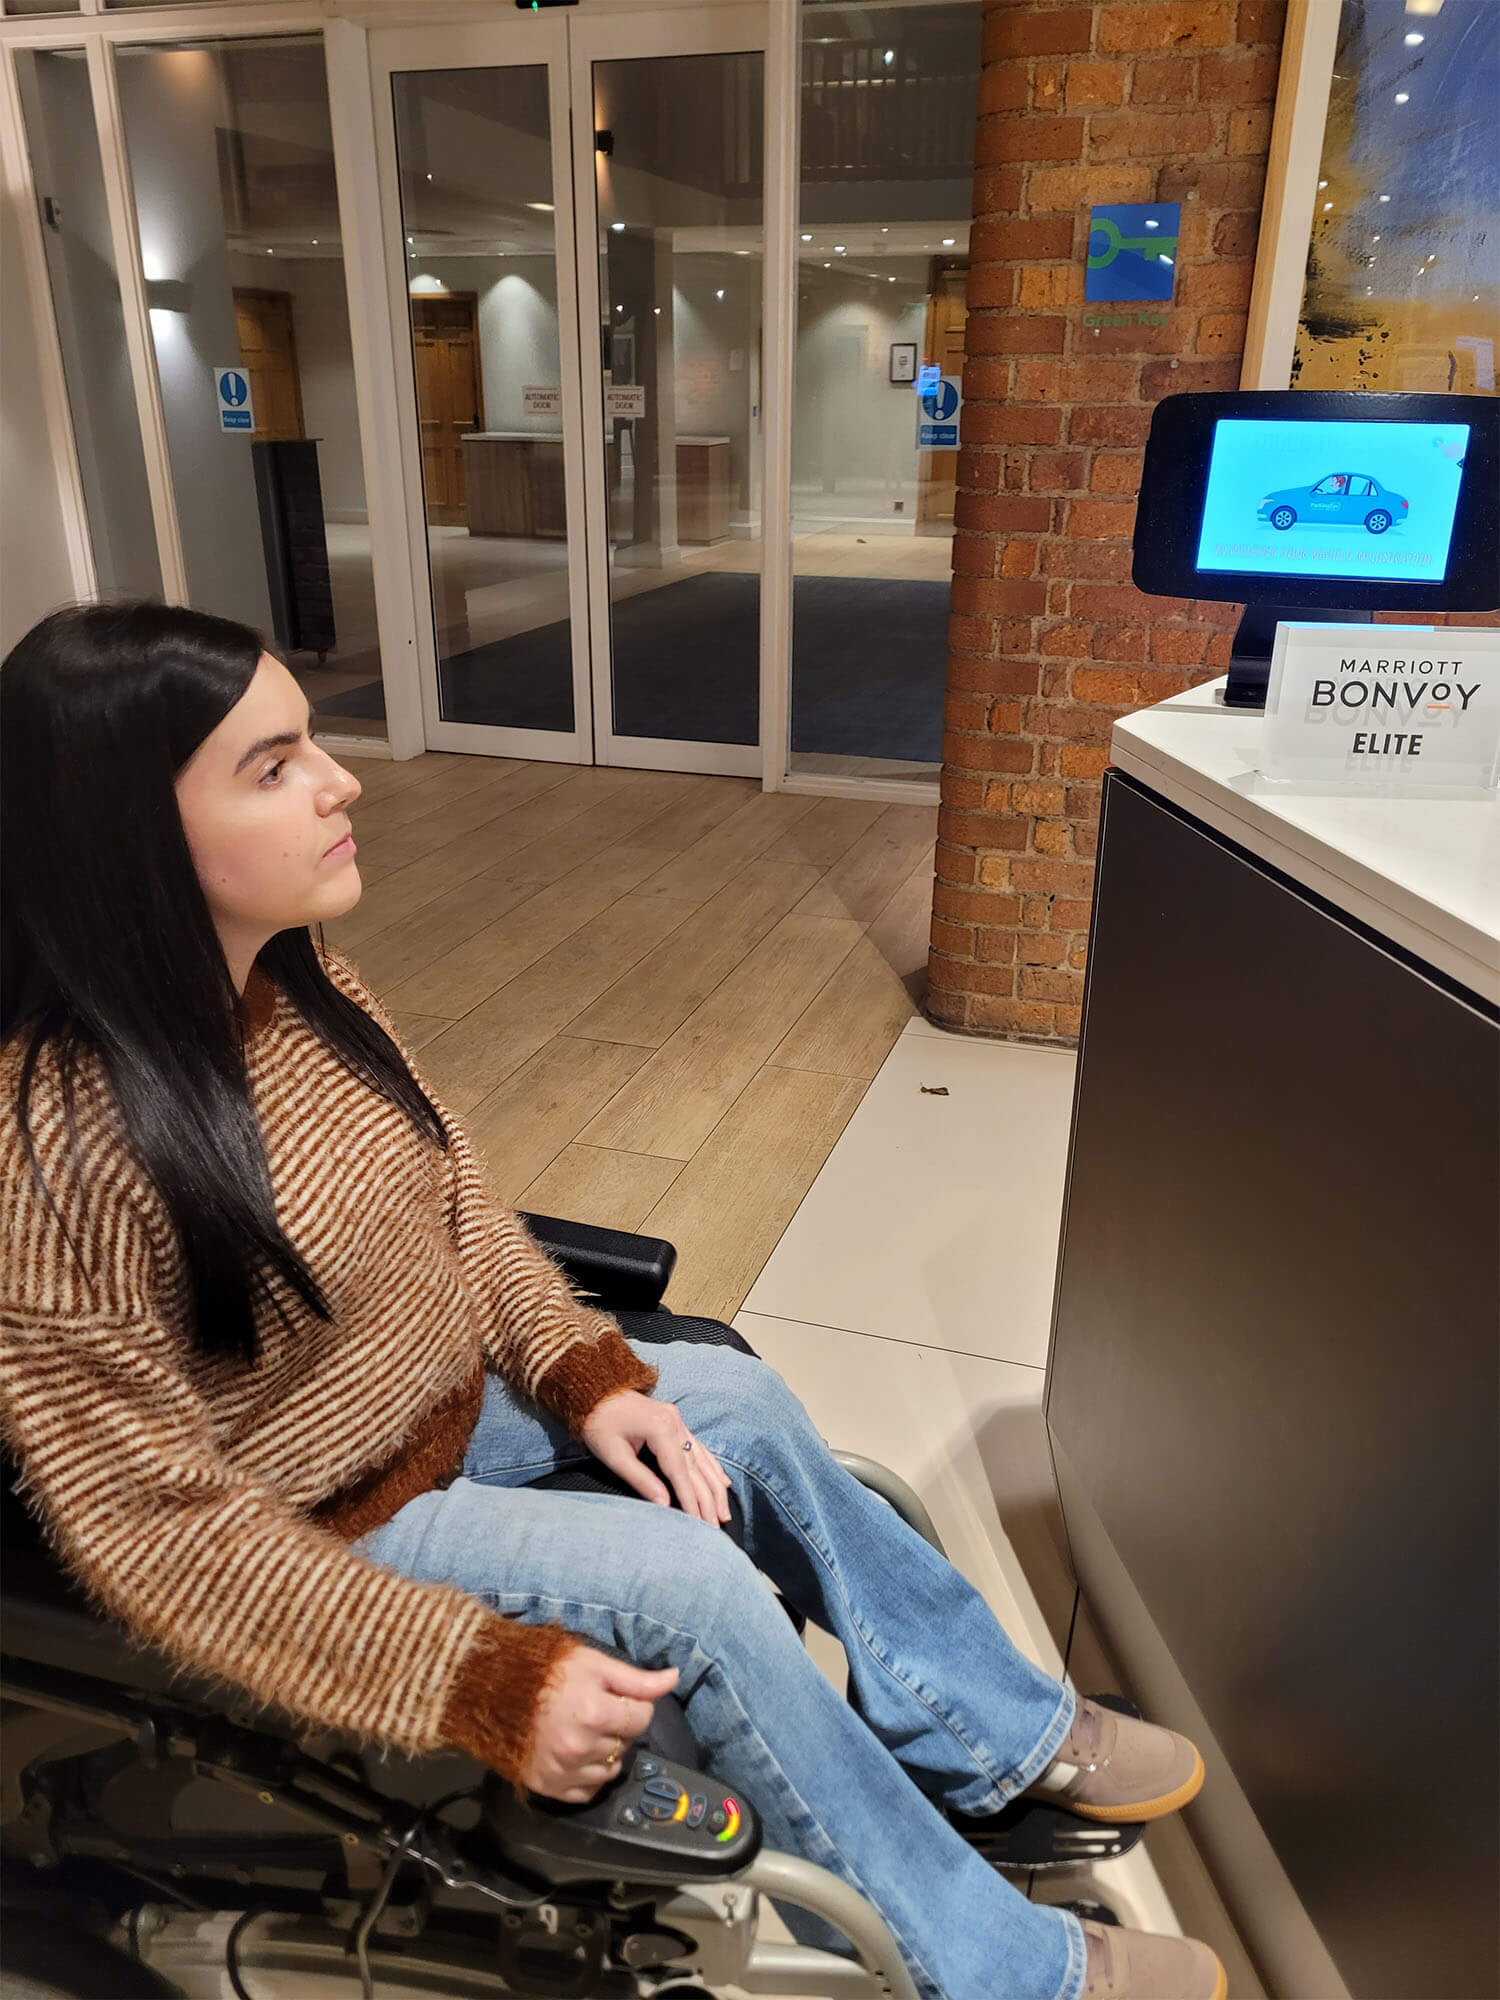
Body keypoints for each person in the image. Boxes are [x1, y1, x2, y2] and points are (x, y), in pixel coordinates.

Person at [0, 603, 1226, 2000]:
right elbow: (151, 1537)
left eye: (312, 745)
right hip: (322, 1522)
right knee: (694, 1588)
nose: (341, 782)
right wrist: (472, 1675)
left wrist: (582, 1375)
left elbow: (460, 1213)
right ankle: (1004, 1972)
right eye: (272, 766)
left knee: (741, 1401)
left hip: (443, 1413)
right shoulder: (59, 1154)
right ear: (129, 834)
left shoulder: (299, 982)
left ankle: (989, 1735)